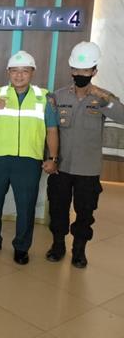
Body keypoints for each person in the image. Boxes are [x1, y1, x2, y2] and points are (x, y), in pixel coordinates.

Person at [46, 41, 124, 268]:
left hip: (88, 169)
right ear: (71, 70)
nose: (80, 74)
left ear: (94, 71)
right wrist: (50, 159)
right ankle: (58, 245)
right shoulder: (58, 96)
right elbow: (50, 130)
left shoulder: (103, 98)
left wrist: (104, 98)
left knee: (85, 212)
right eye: (76, 70)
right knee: (58, 208)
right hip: (61, 166)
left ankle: (79, 250)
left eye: (86, 70)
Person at [0, 50, 59, 265]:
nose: (19, 75)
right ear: (8, 72)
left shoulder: (44, 97)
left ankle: (21, 247)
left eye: (24, 71)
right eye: (15, 71)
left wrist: (53, 158)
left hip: (28, 160)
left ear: (32, 73)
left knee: (26, 206)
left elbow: (51, 130)